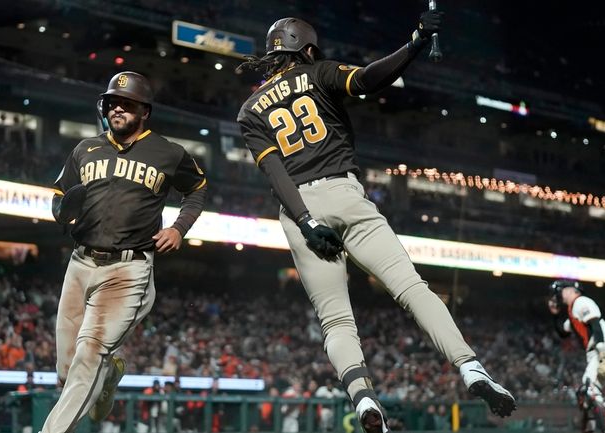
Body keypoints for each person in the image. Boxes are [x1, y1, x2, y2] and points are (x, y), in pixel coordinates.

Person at [236, 12, 515, 433]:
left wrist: (308, 221)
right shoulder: (318, 72)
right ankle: (470, 367)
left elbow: (274, 173)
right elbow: (370, 78)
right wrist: (417, 40)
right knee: (411, 288)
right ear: (307, 49)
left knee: (336, 321)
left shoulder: (249, 109)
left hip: (299, 210)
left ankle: (363, 397)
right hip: (346, 196)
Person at [41, 71, 207, 433]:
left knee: (88, 357)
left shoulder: (168, 152)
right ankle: (110, 377)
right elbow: (59, 196)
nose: (117, 108)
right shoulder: (85, 149)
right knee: (66, 372)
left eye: (127, 103)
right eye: (113, 102)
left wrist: (179, 228)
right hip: (80, 262)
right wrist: (62, 214)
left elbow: (197, 188)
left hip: (127, 269)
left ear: (144, 111)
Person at [549, 280, 605, 433]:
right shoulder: (573, 310)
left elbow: (594, 322)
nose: (559, 294)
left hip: (603, 349)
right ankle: (593, 428)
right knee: (584, 395)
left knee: (589, 388)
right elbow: (563, 333)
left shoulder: (581, 301)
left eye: (561, 290)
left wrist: (601, 348)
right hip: (595, 352)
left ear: (570, 290)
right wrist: (555, 316)